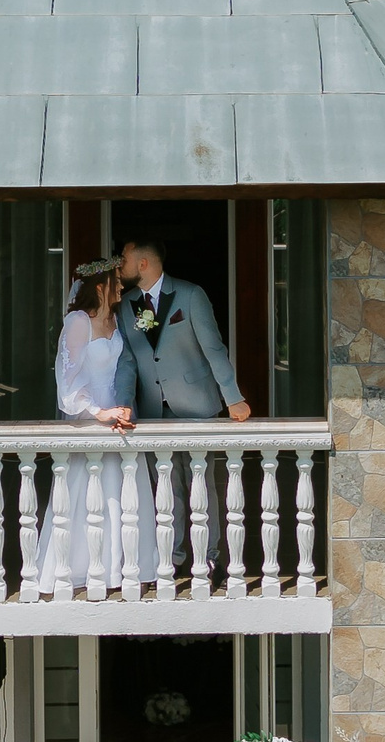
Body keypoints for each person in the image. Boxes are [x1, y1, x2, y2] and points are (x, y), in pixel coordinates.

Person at [32, 263, 156, 595]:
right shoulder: (77, 322)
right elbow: (67, 380)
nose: (121, 287)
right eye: (116, 282)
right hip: (92, 417)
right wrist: (97, 412)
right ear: (100, 287)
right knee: (86, 497)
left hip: (122, 416)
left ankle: (126, 566)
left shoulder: (119, 320)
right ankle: (81, 569)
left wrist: (124, 406)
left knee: (123, 494)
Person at [111, 239, 250, 422]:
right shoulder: (125, 305)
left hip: (198, 406)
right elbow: (127, 361)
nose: (119, 264)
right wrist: (124, 404)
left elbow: (214, 349)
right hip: (153, 412)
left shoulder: (191, 294)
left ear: (142, 263)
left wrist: (233, 398)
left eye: (124, 259)